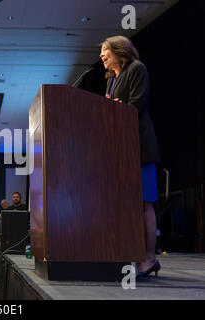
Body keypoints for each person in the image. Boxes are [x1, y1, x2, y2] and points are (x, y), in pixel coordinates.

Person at [100, 36, 161, 277]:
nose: (102, 56)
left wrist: (116, 107)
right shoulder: (111, 80)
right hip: (120, 149)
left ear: (120, 51)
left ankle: (149, 258)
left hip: (140, 147)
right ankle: (128, 254)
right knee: (126, 205)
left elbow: (136, 106)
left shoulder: (137, 69)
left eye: (105, 51)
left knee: (144, 202)